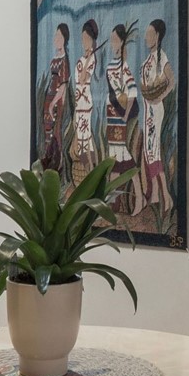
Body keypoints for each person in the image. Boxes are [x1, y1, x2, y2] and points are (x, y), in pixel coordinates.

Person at [138, 17, 174, 222]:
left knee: (154, 151)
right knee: (148, 151)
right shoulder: (148, 60)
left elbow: (171, 81)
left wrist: (160, 97)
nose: (146, 37)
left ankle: (166, 196)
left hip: (155, 110)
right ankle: (155, 195)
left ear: (157, 36)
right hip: (147, 110)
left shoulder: (162, 57)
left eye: (150, 34)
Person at [104, 23, 142, 214]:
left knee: (122, 154)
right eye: (111, 40)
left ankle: (140, 197)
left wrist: (126, 115)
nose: (112, 43)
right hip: (111, 115)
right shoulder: (111, 64)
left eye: (115, 40)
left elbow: (132, 91)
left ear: (121, 42)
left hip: (119, 116)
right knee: (114, 158)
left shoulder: (123, 66)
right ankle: (113, 201)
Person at [38, 21, 71, 174]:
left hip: (57, 102)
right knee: (47, 133)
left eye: (59, 36)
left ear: (65, 39)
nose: (56, 39)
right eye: (55, 36)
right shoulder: (55, 59)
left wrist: (53, 104)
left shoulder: (64, 61)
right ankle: (47, 165)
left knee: (55, 134)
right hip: (49, 98)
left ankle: (57, 167)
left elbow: (63, 86)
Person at [69, 19, 100, 180]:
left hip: (86, 105)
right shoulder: (82, 59)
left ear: (92, 40)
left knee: (85, 139)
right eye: (82, 39)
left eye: (86, 39)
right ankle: (87, 175)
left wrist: (89, 56)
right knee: (80, 140)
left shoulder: (92, 59)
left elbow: (82, 79)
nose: (84, 42)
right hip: (78, 104)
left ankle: (91, 172)